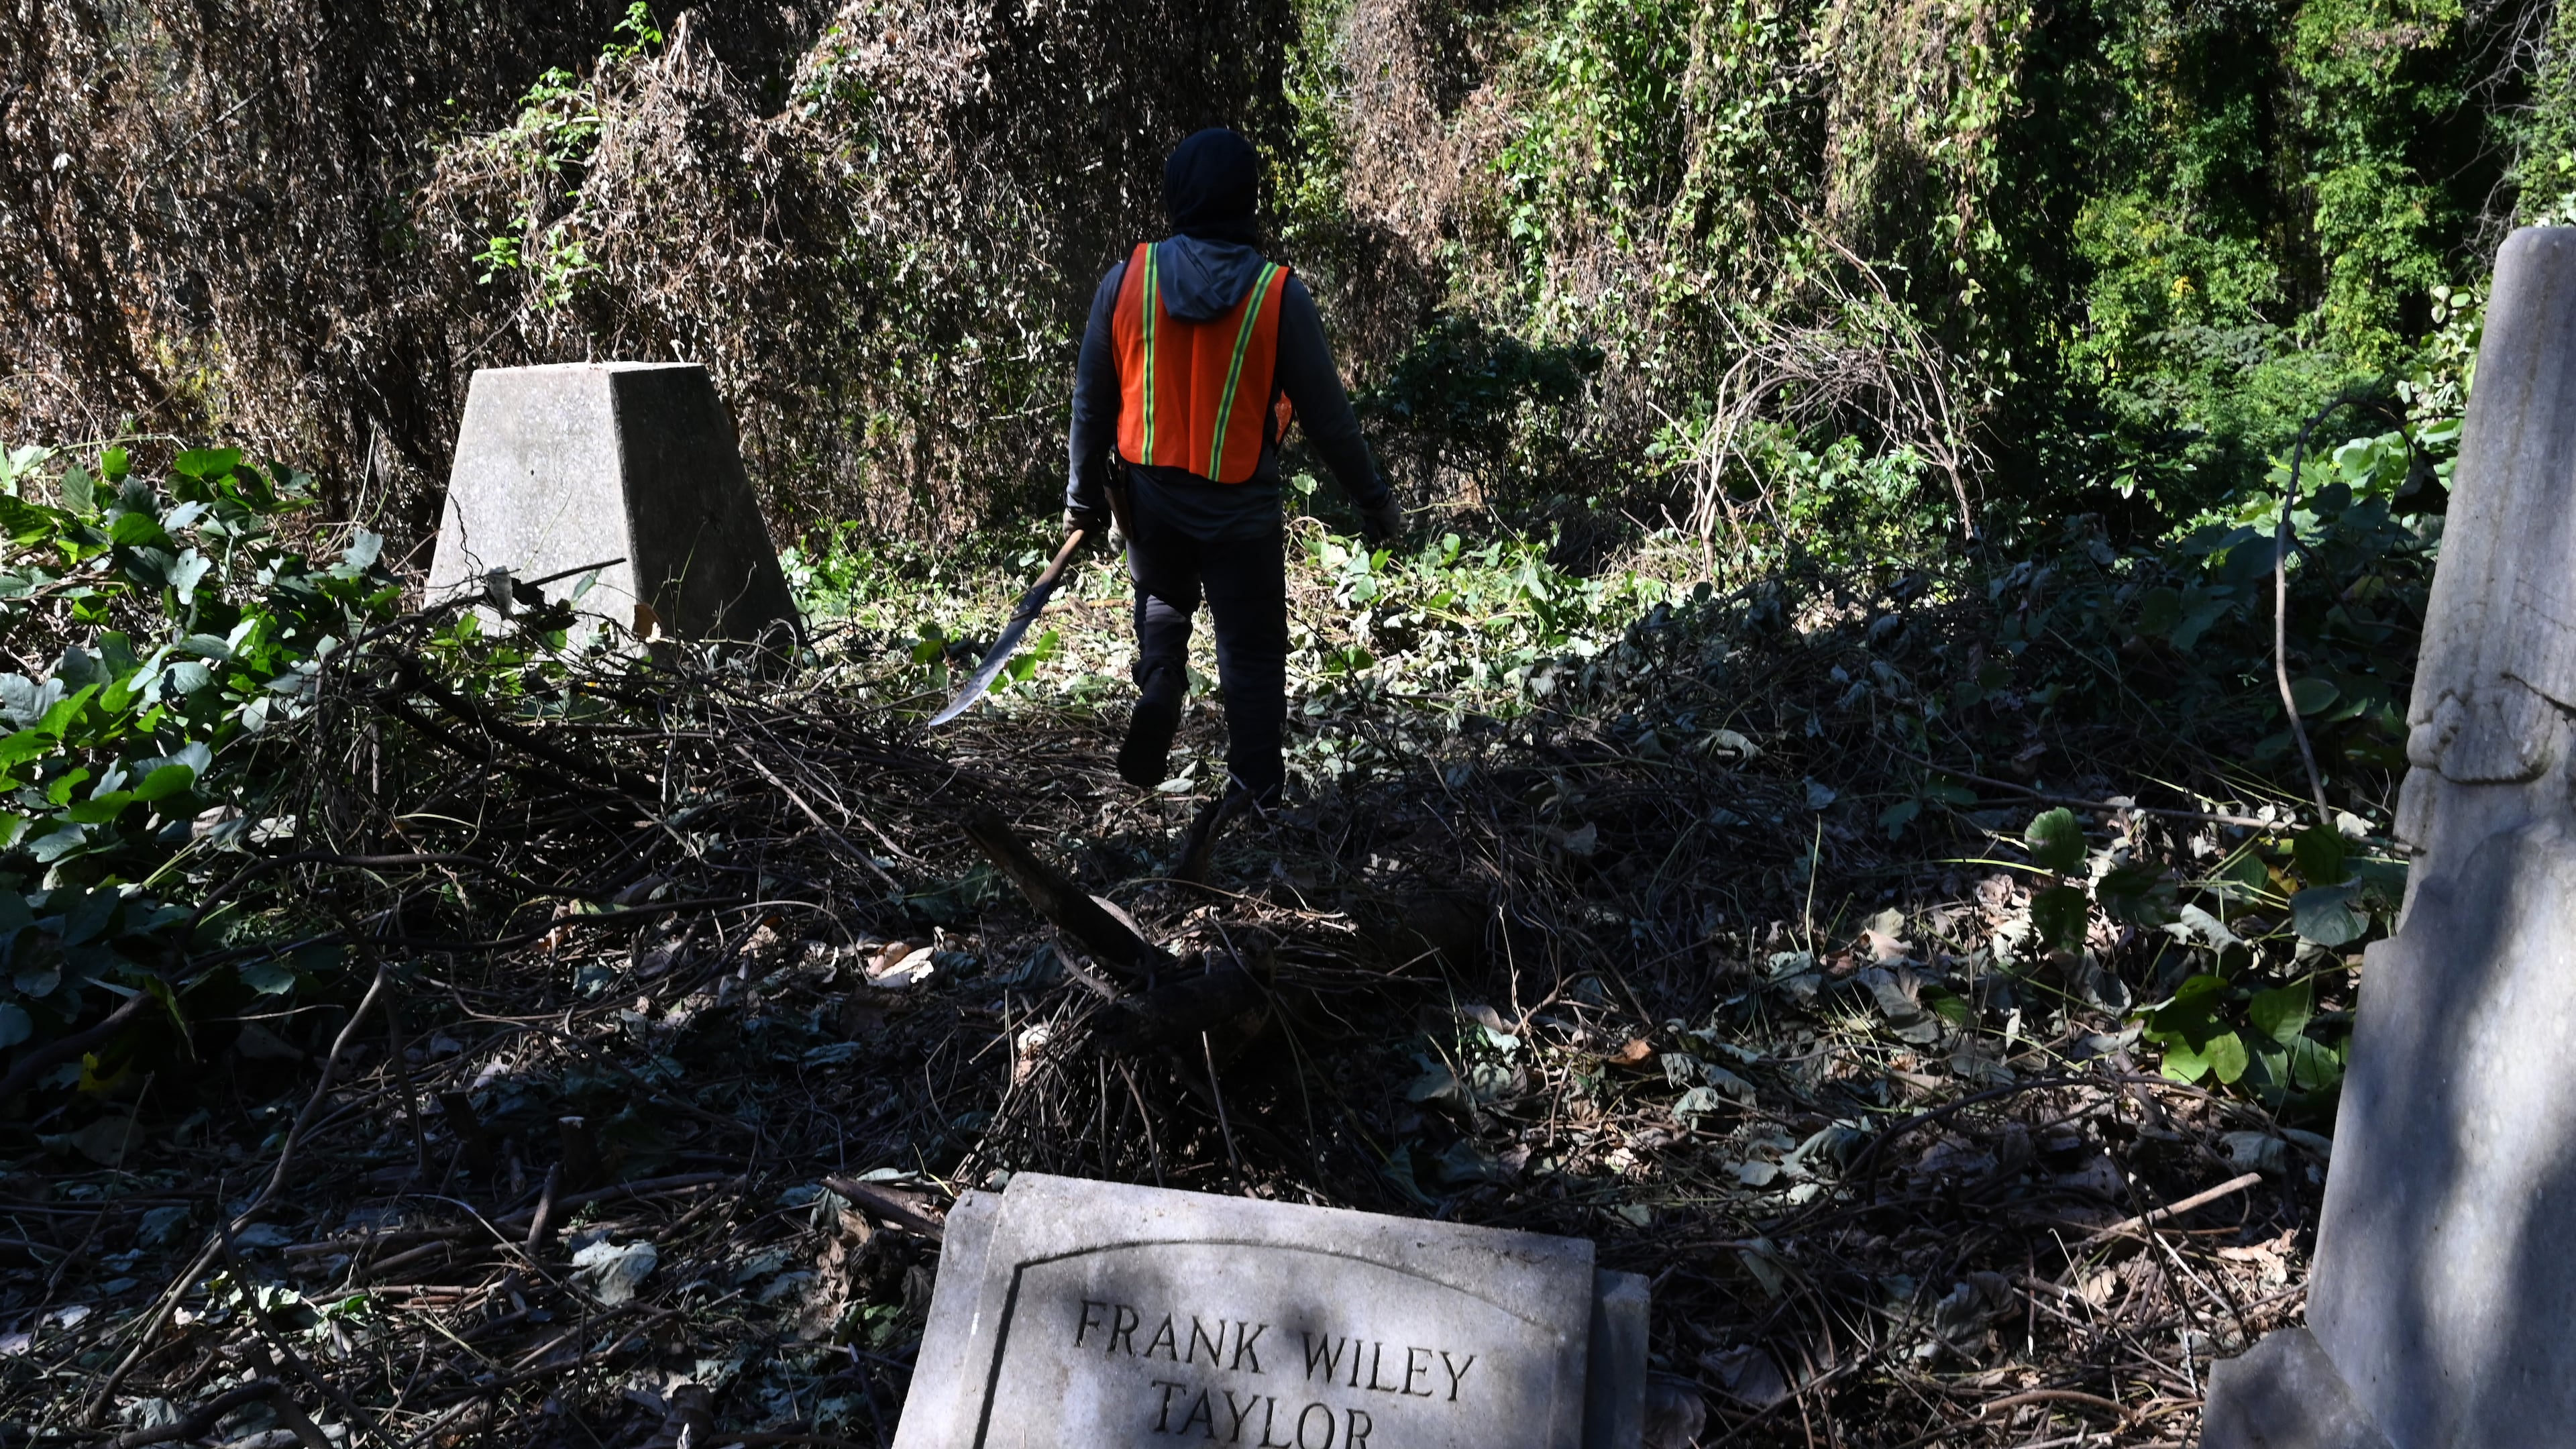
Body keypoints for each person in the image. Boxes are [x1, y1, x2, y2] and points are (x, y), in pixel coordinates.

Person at [1065, 126, 1400, 809]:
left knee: (1162, 598)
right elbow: (1331, 420)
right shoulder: (1278, 296)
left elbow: (1091, 405)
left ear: (1178, 195)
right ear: (1248, 200)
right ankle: (1253, 793)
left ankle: (1161, 679)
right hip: (1242, 509)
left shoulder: (1127, 281)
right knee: (1251, 657)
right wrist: (1375, 500)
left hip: (1152, 502)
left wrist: (1081, 500)